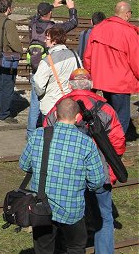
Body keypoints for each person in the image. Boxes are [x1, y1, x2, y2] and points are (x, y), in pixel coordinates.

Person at [43, 68, 126, 254]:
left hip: (67, 173)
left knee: (63, 214)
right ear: (91, 85)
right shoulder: (105, 108)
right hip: (100, 171)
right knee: (104, 216)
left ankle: (65, 246)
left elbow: (46, 135)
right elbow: (118, 141)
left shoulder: (60, 108)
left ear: (70, 85)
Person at [19, 98, 105, 254]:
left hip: (40, 206)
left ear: (55, 115)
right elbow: (97, 180)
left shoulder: (39, 135)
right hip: (71, 209)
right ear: (78, 117)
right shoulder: (86, 143)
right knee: (75, 247)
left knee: (43, 248)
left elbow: (24, 165)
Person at [84, 1, 139, 134]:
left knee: (108, 112)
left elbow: (88, 56)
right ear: (127, 14)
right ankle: (115, 147)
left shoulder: (98, 28)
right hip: (121, 82)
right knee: (121, 116)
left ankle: (106, 141)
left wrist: (90, 76)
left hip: (101, 81)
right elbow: (136, 60)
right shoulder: (129, 32)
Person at [27, 0, 78, 138]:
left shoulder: (32, 24)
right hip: (50, 66)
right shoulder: (54, 29)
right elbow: (73, 22)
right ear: (49, 13)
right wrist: (71, 8)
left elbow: (36, 16)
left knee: (35, 103)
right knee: (50, 102)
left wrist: (51, 6)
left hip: (35, 67)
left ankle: (31, 133)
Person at [0, 0, 24, 123]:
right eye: (11, 7)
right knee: (8, 85)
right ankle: (4, 114)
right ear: (8, 8)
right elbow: (14, 42)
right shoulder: (9, 23)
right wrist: (21, 52)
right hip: (6, 59)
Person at [34, 26, 82, 118]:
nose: (45, 41)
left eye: (47, 38)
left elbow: (39, 85)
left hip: (51, 106)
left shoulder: (46, 61)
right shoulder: (74, 55)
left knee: (50, 131)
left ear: (54, 41)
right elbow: (80, 76)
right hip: (71, 104)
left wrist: (41, 95)